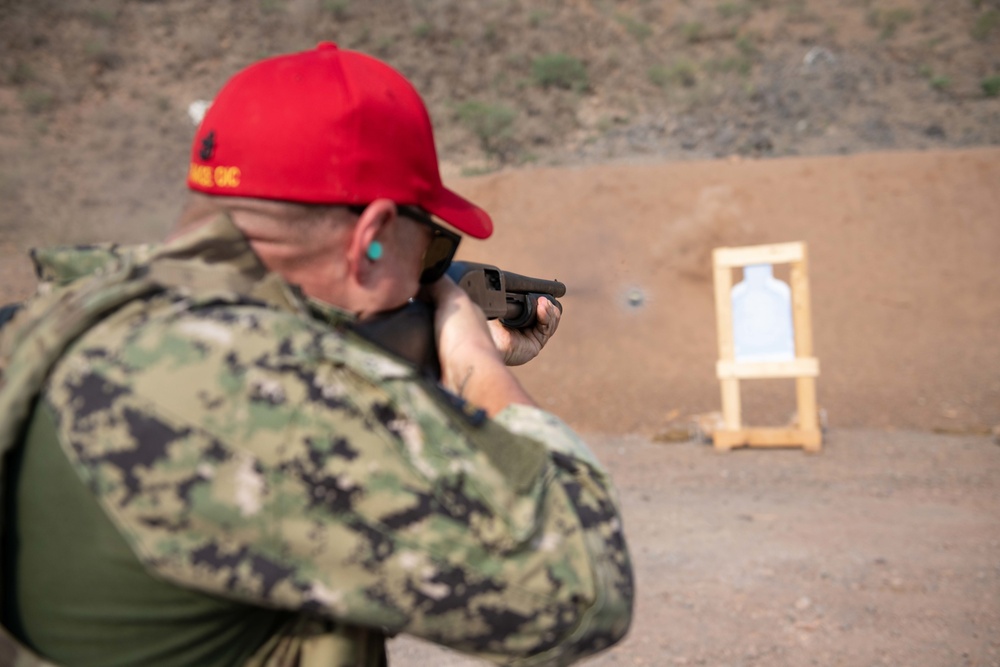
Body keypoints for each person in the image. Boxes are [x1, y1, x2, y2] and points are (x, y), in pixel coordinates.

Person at [0, 43, 633, 666]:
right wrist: (476, 367)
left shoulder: (66, 320)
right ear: (372, 237)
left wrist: (418, 378)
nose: (424, 279)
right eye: (429, 251)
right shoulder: (266, 391)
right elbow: (583, 590)